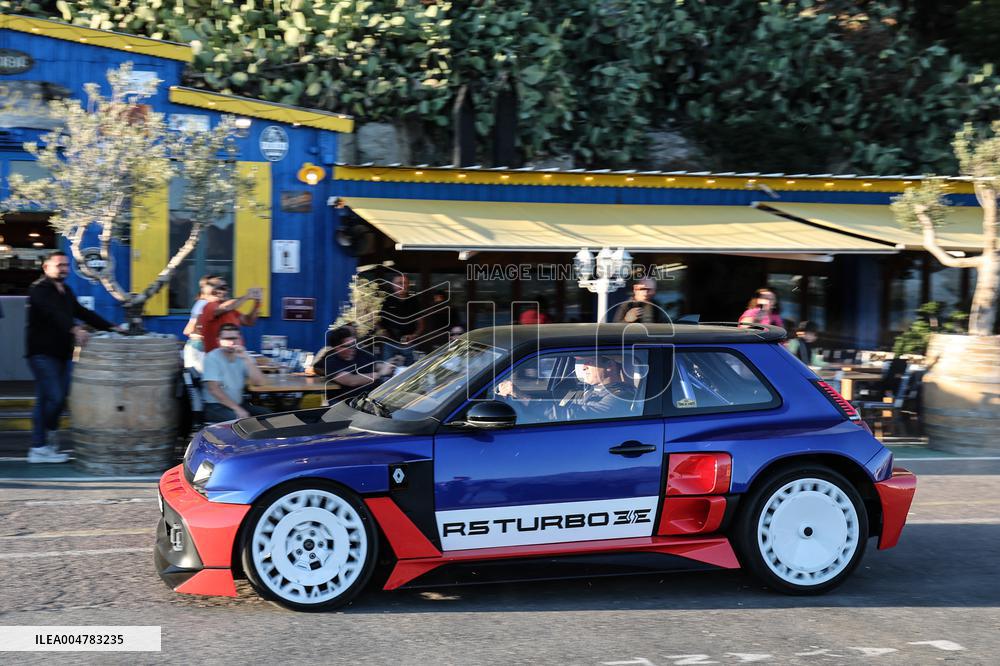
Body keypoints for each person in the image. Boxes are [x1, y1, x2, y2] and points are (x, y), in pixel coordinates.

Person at [25, 251, 120, 463]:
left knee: (46, 400)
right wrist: (74, 329)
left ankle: (39, 448)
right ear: (46, 267)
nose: (64, 269)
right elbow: (53, 314)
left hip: (61, 354)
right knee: (56, 397)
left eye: (66, 265)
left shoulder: (66, 290)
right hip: (42, 354)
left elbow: (82, 312)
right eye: (59, 265)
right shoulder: (39, 290)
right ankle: (45, 442)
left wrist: (112, 327)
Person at [496, 354, 637, 421]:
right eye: (583, 363)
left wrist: (523, 397)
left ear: (609, 367)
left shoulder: (621, 396)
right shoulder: (587, 390)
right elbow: (562, 407)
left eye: (590, 362)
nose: (584, 367)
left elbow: (575, 416)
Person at [201, 324, 269, 423]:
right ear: (218, 341)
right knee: (244, 423)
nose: (231, 342)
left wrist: (247, 359)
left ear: (240, 339)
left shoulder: (242, 356)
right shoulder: (212, 358)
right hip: (215, 407)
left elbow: (259, 382)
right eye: (226, 339)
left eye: (234, 338)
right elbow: (214, 390)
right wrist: (237, 409)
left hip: (238, 404)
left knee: (268, 415)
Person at [313, 326, 400, 389]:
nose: (352, 348)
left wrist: (390, 365)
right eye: (348, 346)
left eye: (354, 344)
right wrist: (379, 374)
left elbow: (376, 365)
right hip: (346, 404)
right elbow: (351, 380)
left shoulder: (361, 353)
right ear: (336, 347)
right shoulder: (331, 360)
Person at [197, 278, 262, 353]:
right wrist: (247, 296)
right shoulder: (209, 306)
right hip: (218, 358)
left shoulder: (232, 310)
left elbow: (249, 321)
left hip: (234, 355)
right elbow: (226, 308)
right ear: (213, 291)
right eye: (223, 288)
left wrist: (257, 302)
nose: (226, 291)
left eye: (226, 288)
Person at [378, 273, 424, 363]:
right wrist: (381, 331)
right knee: (388, 371)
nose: (402, 286)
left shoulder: (414, 301)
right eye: (399, 283)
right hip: (389, 343)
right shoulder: (385, 301)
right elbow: (376, 320)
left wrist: (414, 336)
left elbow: (421, 324)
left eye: (405, 283)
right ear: (393, 285)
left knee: (410, 372)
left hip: (408, 344)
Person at [181, 274, 219, 373]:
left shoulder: (205, 303)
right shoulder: (203, 304)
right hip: (198, 346)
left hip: (199, 345)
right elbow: (188, 330)